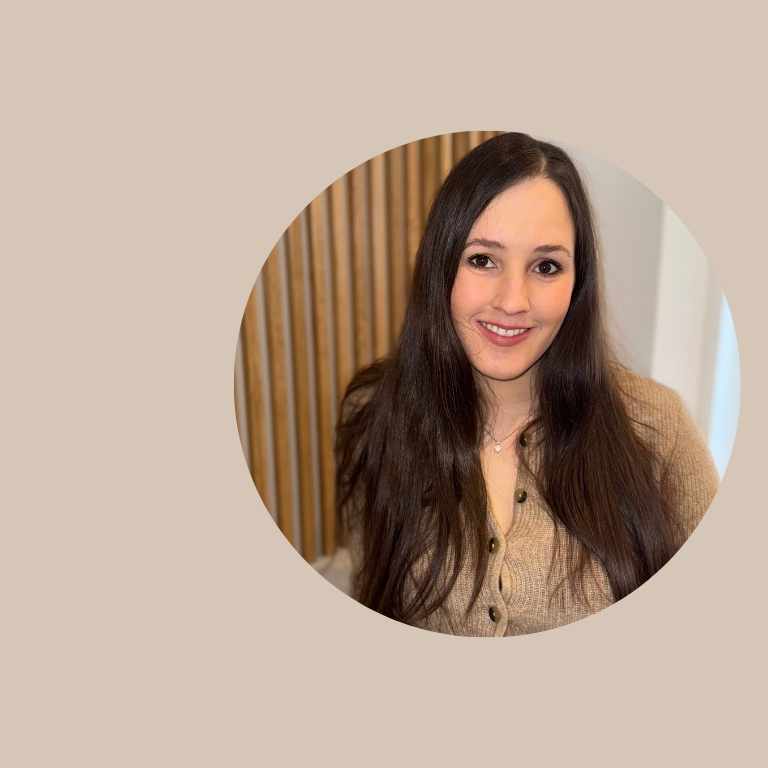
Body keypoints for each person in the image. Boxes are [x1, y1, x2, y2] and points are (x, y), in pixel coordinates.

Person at [334, 132, 719, 637]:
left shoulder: (657, 426)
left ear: (577, 283)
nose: (513, 301)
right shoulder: (372, 415)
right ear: (439, 267)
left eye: (545, 266)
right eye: (482, 259)